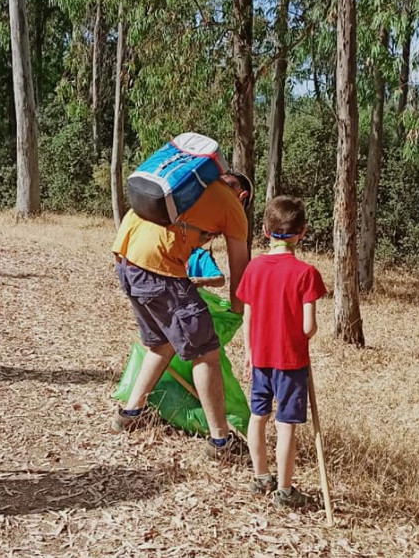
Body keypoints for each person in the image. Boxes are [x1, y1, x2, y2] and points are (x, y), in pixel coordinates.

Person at [111, 170, 252, 459]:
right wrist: (238, 310)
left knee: (162, 344)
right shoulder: (231, 204)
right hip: (160, 270)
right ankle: (220, 442)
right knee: (206, 353)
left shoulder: (183, 185)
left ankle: (130, 413)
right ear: (244, 196)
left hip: (126, 261)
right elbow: (241, 266)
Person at [236, 196, 327, 508]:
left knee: (258, 416)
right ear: (302, 232)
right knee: (285, 423)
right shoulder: (306, 273)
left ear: (264, 230)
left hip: (260, 358)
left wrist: (248, 351)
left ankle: (261, 476)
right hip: (290, 361)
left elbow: (247, 317)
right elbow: (307, 328)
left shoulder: (254, 268)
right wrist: (307, 334)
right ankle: (285, 492)